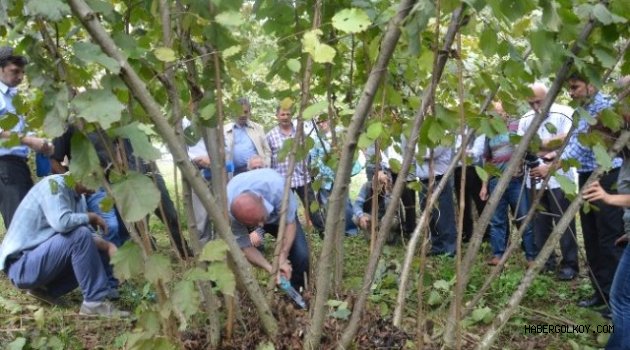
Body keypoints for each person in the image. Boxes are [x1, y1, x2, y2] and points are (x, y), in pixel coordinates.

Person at [531, 73, 624, 309]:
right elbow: (572, 142)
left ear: (591, 85)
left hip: (606, 178)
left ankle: (615, 301)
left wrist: (550, 167)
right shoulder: (582, 110)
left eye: (575, 87)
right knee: (591, 238)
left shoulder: (603, 108)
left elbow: (580, 148)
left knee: (608, 239)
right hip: (586, 177)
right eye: (569, 88)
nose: (571, 93)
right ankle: (600, 293)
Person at [0, 174, 128, 317]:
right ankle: (94, 303)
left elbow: (88, 239)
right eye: (97, 178)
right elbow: (61, 222)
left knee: (93, 245)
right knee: (80, 235)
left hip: (37, 262)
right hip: (21, 265)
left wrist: (110, 247)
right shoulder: (54, 184)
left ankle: (45, 289)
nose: (100, 186)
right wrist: (92, 216)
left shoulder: (79, 198)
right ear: (83, 173)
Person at [517, 83, 579, 280]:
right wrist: (547, 148)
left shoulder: (564, 113)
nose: (536, 107)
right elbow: (522, 147)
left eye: (539, 102)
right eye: (531, 103)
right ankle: (547, 261)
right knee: (539, 222)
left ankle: (570, 264)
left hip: (560, 179)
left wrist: (543, 150)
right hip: (533, 179)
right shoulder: (526, 119)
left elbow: (571, 140)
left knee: (564, 222)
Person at [227, 168, 310, 290]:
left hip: (281, 217)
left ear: (261, 199)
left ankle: (298, 290)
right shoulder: (229, 211)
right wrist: (270, 268)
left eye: (261, 219)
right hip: (252, 214)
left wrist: (282, 257)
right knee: (255, 240)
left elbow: (290, 224)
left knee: (301, 255)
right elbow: (244, 247)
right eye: (254, 223)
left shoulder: (278, 188)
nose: (261, 225)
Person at [0, 46, 54, 229]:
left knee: (32, 221)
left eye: (22, 72)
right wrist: (29, 140)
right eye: (15, 71)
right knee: (19, 225)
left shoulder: (14, 97)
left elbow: (21, 131)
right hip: (4, 165)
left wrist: (42, 144)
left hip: (18, 165)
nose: (20, 77)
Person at [480, 102, 537, 266]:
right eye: (494, 113)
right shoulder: (489, 133)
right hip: (496, 181)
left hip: (516, 180)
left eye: (500, 112)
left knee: (523, 216)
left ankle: (530, 256)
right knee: (497, 219)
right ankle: (498, 254)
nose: (497, 115)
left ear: (506, 112)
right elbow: (487, 160)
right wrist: (484, 185)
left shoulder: (516, 127)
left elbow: (526, 149)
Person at [267, 105, 325, 234]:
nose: (285, 117)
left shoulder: (300, 133)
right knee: (286, 210)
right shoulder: (270, 136)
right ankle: (291, 234)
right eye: (282, 114)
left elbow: (307, 153)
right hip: (283, 180)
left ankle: (323, 231)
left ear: (291, 115)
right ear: (277, 116)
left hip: (302, 177)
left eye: (288, 114)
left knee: (312, 206)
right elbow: (269, 158)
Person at [416, 146, 458, 256]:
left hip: (439, 180)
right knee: (429, 216)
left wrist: (414, 151)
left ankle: (449, 248)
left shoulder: (443, 134)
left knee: (444, 215)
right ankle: (437, 246)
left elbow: (430, 154)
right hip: (423, 181)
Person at [224, 98, 271, 176]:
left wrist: (266, 167)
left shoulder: (258, 128)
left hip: (256, 170)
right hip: (235, 172)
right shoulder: (225, 130)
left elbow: (267, 151)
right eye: (239, 112)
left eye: (245, 112)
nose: (243, 115)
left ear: (249, 112)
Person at [352, 169, 400, 242]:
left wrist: (387, 191)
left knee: (386, 220)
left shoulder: (391, 188)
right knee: (356, 217)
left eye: (379, 182)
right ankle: (371, 237)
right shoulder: (367, 186)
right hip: (372, 218)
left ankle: (388, 237)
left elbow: (391, 210)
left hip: (387, 218)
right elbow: (357, 204)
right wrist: (361, 216)